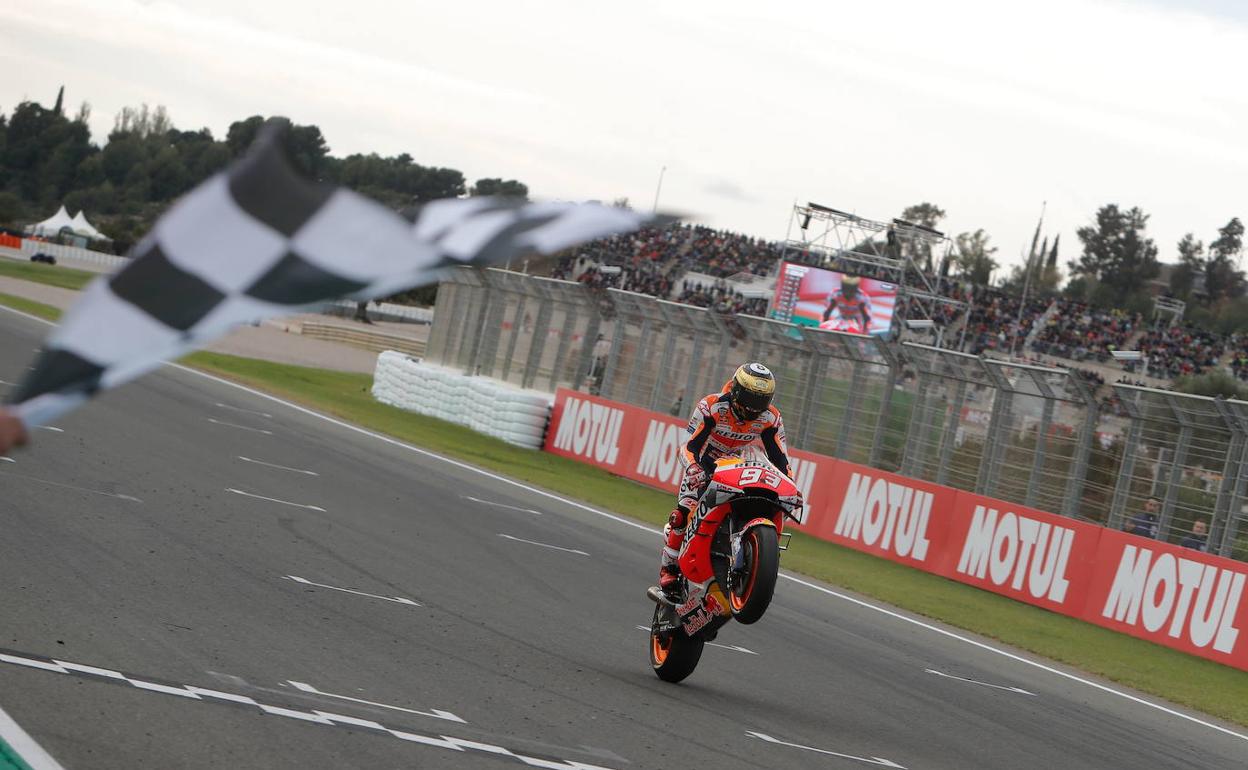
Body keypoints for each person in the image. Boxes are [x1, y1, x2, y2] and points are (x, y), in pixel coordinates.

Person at [657, 362, 794, 595]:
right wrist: (693, 469)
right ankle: (668, 568)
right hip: (704, 464)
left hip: (735, 466)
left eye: (761, 400)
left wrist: (789, 487)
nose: (754, 407)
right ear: (737, 391)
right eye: (751, 398)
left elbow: (781, 460)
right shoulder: (711, 406)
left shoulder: (771, 417)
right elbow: (687, 447)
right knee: (682, 513)